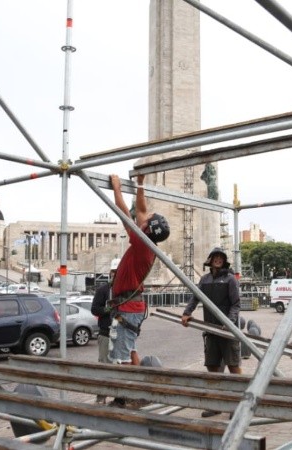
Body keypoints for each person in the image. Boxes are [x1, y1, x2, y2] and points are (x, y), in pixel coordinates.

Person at [108, 173, 169, 367]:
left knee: (122, 356)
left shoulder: (142, 243)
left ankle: (125, 395)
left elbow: (125, 214)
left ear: (148, 228)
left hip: (128, 306)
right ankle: (138, 390)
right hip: (129, 305)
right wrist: (140, 184)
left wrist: (116, 188)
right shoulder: (147, 239)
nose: (145, 215)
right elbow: (141, 210)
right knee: (130, 348)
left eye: (149, 218)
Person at [180, 247, 242, 417]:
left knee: (233, 366)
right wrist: (187, 313)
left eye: (221, 257)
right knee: (213, 366)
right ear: (210, 260)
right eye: (215, 257)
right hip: (210, 330)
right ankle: (216, 404)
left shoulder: (230, 280)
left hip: (227, 331)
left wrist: (229, 322)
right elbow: (195, 297)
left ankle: (238, 407)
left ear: (224, 261)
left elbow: (236, 304)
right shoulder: (205, 280)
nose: (218, 259)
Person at [90, 258, 120, 404]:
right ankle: (101, 398)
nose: (115, 275)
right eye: (113, 272)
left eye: (118, 273)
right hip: (105, 333)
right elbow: (94, 309)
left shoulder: (126, 292)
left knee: (120, 368)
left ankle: (120, 399)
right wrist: (107, 310)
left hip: (121, 335)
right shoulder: (103, 291)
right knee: (104, 366)